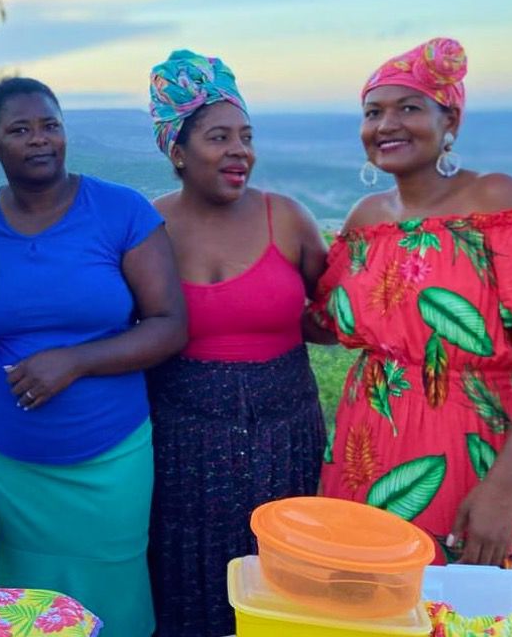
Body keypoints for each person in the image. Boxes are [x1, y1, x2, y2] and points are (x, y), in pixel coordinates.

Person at [314, 37, 512, 567]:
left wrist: (502, 489)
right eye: (373, 112)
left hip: (463, 446)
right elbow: (325, 322)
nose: (386, 124)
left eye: (408, 108)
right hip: (363, 440)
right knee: (362, 592)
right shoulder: (365, 219)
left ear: (451, 123)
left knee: (456, 598)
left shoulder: (495, 200)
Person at [0, 77, 187, 637]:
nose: (39, 139)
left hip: (110, 461)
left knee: (113, 601)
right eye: (20, 130)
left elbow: (169, 325)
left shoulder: (120, 211)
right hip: (7, 470)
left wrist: (74, 361)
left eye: (50, 125)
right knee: (22, 608)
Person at [145, 50, 329, 636]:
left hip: (285, 438)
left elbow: (332, 316)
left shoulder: (288, 219)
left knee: (286, 581)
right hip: (184, 446)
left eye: (246, 136)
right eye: (219, 137)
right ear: (177, 150)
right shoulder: (147, 228)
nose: (239, 150)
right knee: (189, 582)